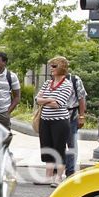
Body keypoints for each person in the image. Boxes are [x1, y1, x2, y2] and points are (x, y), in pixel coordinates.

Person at [35, 56, 73, 186]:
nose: (51, 68)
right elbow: (37, 99)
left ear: (62, 67)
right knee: (46, 147)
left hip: (60, 121)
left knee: (59, 148)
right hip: (45, 120)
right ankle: (48, 177)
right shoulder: (47, 83)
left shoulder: (67, 84)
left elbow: (58, 104)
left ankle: (59, 177)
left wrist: (44, 100)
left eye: (54, 66)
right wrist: (49, 100)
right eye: (50, 66)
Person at [64, 70, 87, 176]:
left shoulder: (74, 80)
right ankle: (58, 171)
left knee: (71, 144)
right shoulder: (53, 80)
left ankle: (70, 171)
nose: (52, 69)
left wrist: (81, 116)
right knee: (58, 144)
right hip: (57, 117)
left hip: (71, 116)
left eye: (54, 66)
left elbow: (81, 98)